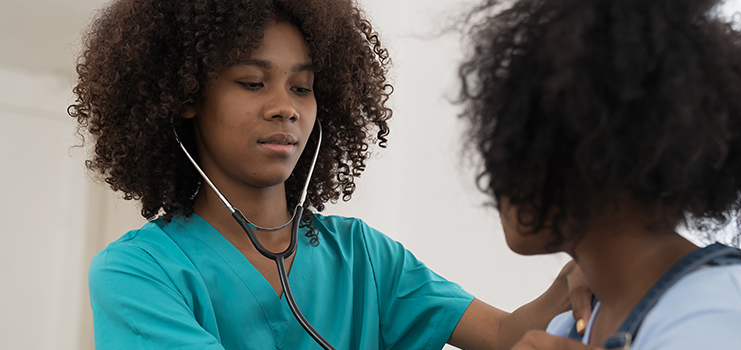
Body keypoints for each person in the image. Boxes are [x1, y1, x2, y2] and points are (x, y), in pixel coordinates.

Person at [69, 0, 589, 349]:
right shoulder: (137, 273)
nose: (285, 109)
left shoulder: (362, 255)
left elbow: (503, 335)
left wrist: (580, 276)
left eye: (302, 88)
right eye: (252, 82)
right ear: (185, 98)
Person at [456, 0, 741, 349]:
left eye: (513, 136)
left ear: (588, 154)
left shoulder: (721, 327)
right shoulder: (576, 327)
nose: (495, 167)